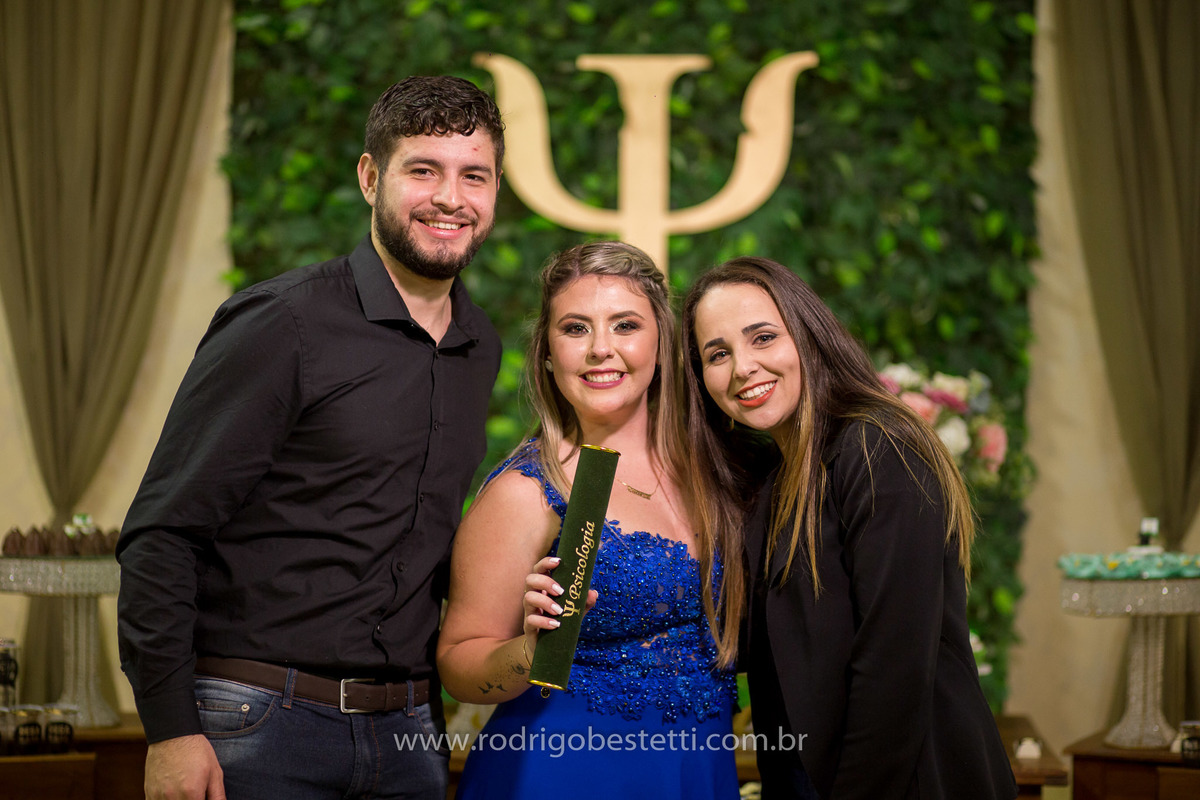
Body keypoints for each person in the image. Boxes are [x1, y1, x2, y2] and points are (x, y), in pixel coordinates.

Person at [116, 76, 505, 800]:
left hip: (411, 734)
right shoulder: (282, 323)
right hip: (259, 724)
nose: (450, 198)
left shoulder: (478, 344)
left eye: (473, 176)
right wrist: (170, 730)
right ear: (370, 178)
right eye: (424, 170)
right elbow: (164, 534)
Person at [681, 257, 1018, 800]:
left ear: (808, 334)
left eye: (763, 337)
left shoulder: (879, 447)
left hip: (902, 781)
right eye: (717, 354)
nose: (743, 367)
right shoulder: (774, 480)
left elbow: (894, 668)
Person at [436, 241, 741, 798]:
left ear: (662, 343)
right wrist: (527, 653)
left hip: (699, 770)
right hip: (563, 771)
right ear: (548, 354)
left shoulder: (715, 473)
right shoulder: (527, 491)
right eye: (576, 329)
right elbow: (458, 667)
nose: (602, 349)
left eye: (625, 325)